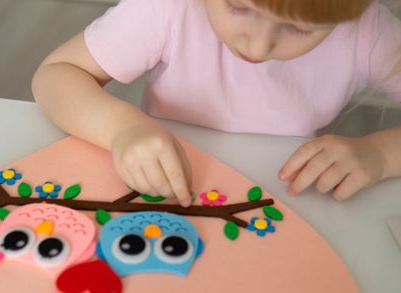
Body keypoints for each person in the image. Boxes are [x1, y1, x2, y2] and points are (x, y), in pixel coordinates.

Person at [32, 0, 401, 207]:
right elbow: (55, 75)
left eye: (300, 29)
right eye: (239, 7)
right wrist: (121, 127)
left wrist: (380, 155)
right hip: (161, 196)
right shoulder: (168, 8)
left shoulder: (364, 27)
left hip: (283, 206)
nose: (257, 47)